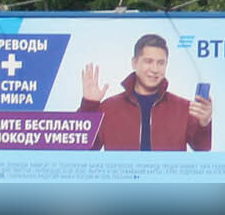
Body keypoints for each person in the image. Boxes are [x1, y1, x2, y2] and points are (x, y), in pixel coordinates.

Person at [78, 34, 213, 151]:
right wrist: (89, 106)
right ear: (134, 63)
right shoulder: (109, 108)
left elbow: (201, 148)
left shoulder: (183, 108)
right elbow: (85, 149)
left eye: (161, 63)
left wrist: (204, 123)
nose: (155, 69)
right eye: (148, 61)